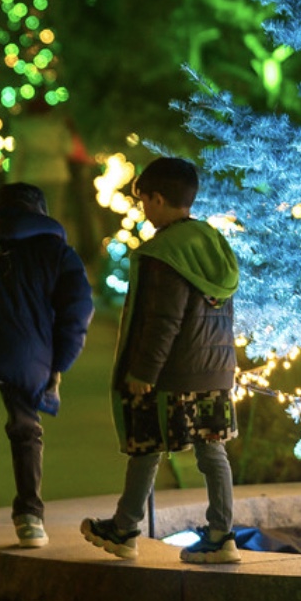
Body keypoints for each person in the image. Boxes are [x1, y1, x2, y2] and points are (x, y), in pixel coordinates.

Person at [80, 156, 243, 565]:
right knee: (212, 450)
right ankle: (221, 533)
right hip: (217, 367)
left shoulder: (164, 252)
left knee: (148, 445)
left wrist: (143, 372)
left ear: (156, 198)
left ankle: (125, 528)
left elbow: (162, 320)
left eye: (143, 202)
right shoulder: (214, 243)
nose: (142, 210)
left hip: (173, 370)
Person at [0, 182, 94, 548]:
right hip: (29, 356)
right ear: (41, 212)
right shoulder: (58, 252)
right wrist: (58, 363)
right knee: (26, 429)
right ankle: (29, 517)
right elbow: (77, 310)